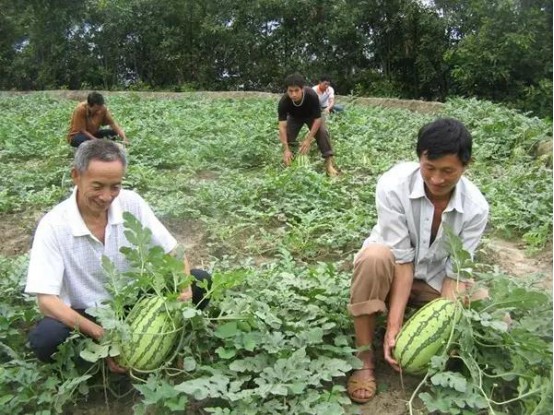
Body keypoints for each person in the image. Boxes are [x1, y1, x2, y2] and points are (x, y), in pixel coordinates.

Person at [24, 140, 210, 372]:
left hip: (134, 304)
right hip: (88, 317)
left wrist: (184, 291)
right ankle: (99, 360)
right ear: (76, 176)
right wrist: (101, 335)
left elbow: (173, 251)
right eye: (97, 186)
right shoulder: (53, 225)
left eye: (115, 186)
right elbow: (47, 301)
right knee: (46, 338)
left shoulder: (131, 202)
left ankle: (163, 341)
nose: (106, 196)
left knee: (200, 280)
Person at [347, 118, 489, 403]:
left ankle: (440, 342)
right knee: (374, 257)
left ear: (466, 165)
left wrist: (440, 330)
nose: (437, 179)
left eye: (448, 171)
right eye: (429, 168)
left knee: (486, 303)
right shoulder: (392, 185)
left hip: (433, 279)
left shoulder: (476, 209)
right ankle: (364, 357)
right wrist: (394, 326)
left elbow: (455, 272)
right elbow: (401, 260)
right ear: (420, 158)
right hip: (391, 273)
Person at [278, 73, 339, 176]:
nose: (293, 94)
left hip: (312, 117)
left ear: (302, 89)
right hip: (295, 117)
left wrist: (308, 140)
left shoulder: (312, 95)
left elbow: (318, 119)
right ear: (287, 90)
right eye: (290, 91)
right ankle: (290, 158)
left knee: (322, 132)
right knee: (287, 135)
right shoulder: (284, 102)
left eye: (296, 90)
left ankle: (329, 164)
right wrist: (286, 149)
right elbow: (282, 126)